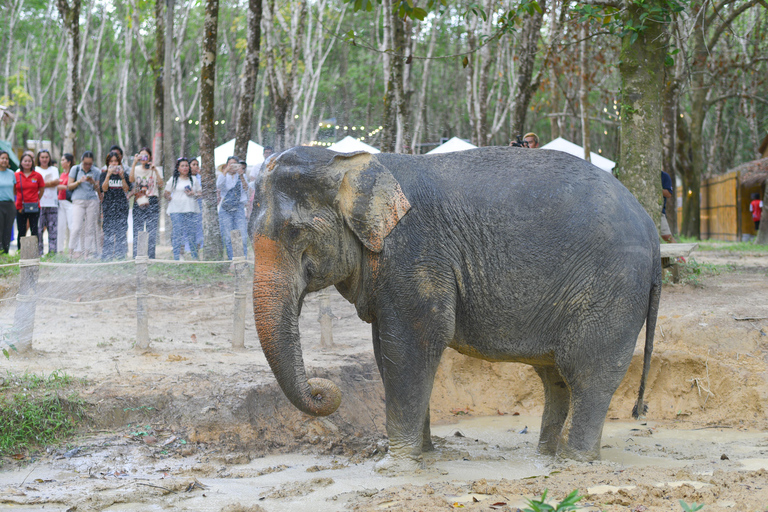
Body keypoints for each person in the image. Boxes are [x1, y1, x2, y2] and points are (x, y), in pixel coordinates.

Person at [164, 158, 201, 260]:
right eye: (182, 166)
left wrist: (193, 193)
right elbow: (166, 193)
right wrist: (169, 197)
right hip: (176, 210)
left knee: (192, 234)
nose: (185, 168)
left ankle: (194, 256)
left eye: (186, 166)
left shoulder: (193, 179)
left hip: (191, 209)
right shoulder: (173, 179)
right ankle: (177, 256)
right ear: (178, 168)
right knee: (177, 233)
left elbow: (200, 193)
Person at [129, 147, 163, 258]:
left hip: (152, 200)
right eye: (141, 156)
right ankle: (136, 256)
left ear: (150, 157)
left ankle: (151, 256)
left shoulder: (155, 169)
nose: (143, 158)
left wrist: (155, 170)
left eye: (146, 156)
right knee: (137, 229)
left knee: (151, 230)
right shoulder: (136, 168)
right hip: (139, 200)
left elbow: (161, 184)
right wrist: (134, 163)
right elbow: (131, 180)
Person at [67, 151, 102, 259]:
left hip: (92, 200)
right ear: (81, 161)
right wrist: (79, 181)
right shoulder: (75, 169)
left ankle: (86, 254)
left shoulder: (96, 171)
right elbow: (69, 186)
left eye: (90, 164)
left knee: (90, 228)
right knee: (76, 227)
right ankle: (70, 253)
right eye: (85, 163)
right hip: (78, 200)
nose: (87, 166)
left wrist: (93, 182)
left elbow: (98, 189)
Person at [100, 150, 132, 260]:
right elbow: (103, 189)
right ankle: (107, 256)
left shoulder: (124, 175)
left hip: (121, 206)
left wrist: (122, 176)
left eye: (116, 161)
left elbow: (127, 189)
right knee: (108, 231)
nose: (114, 164)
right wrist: (108, 175)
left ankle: (121, 256)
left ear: (119, 163)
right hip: (108, 206)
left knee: (121, 231)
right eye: (111, 161)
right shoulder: (104, 174)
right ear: (108, 163)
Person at [217, 156, 249, 259]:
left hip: (239, 207)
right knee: (228, 237)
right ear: (226, 165)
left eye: (235, 164)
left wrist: (241, 174)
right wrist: (225, 170)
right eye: (230, 164)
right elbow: (219, 185)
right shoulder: (222, 176)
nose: (232, 166)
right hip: (225, 209)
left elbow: (246, 188)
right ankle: (232, 261)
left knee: (243, 236)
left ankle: (243, 260)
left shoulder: (241, 176)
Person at [14, 153, 45, 252]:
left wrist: (36, 199)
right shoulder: (16, 175)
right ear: (21, 162)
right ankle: (20, 252)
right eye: (25, 161)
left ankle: (35, 252)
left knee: (34, 230)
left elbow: (42, 189)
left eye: (29, 161)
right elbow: (14, 190)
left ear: (32, 162)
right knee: (21, 231)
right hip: (20, 207)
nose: (27, 163)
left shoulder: (37, 175)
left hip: (34, 206)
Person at [36, 149, 59, 255]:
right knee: (39, 230)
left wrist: (41, 184)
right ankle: (39, 252)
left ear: (49, 158)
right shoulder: (35, 170)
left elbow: (56, 182)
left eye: (46, 157)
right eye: (42, 157)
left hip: (52, 203)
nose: (44, 159)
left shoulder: (54, 169)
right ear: (38, 158)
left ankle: (52, 252)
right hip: (39, 203)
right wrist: (49, 183)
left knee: (53, 230)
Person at [56, 154, 75, 253]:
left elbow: (71, 186)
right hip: (60, 202)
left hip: (70, 202)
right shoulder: (62, 174)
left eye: (63, 160)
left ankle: (74, 249)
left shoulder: (72, 174)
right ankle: (60, 250)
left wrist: (62, 187)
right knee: (60, 227)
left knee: (72, 226)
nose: (61, 162)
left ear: (69, 162)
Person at [0, 151, 17, 253]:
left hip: (10, 205)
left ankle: (6, 251)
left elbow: (14, 190)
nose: (4, 160)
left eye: (6, 158)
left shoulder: (11, 174)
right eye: (2, 158)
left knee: (8, 228)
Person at [189, 157, 204, 251]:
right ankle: (188, 248)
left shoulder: (200, 177)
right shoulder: (186, 177)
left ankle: (198, 248)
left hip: (199, 205)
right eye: (193, 164)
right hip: (187, 204)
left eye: (197, 164)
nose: (195, 167)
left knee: (198, 228)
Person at [660, 171, 675, 243]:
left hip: (659, 211)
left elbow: (669, 194)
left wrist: (655, 189)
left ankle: (679, 254)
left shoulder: (664, 176)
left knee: (667, 236)